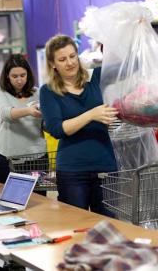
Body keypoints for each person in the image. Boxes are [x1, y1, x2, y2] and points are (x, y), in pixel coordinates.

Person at [39, 35, 118, 215]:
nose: (69, 63)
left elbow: (130, 67)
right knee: (76, 226)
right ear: (52, 64)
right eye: (62, 59)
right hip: (72, 171)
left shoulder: (96, 77)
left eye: (72, 56)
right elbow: (57, 129)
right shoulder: (48, 91)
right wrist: (91, 114)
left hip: (105, 165)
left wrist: (134, 31)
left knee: (110, 225)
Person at [0, 54, 47, 184]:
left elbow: (44, 124)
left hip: (36, 156)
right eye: (14, 76)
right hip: (7, 156)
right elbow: (4, 114)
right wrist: (28, 110)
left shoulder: (38, 93)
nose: (19, 80)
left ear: (28, 74)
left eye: (23, 75)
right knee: (10, 200)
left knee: (39, 200)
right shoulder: (0, 92)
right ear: (7, 76)